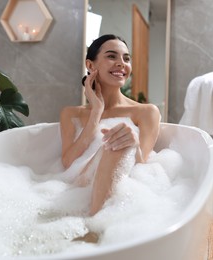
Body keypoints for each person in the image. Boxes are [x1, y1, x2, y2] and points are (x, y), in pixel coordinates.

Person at [59, 34, 161, 216]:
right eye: (112, 56)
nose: (121, 63)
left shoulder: (146, 112)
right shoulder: (71, 114)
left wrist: (134, 142)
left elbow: (140, 165)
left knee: (119, 141)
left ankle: (94, 226)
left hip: (123, 187)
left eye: (126, 58)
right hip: (77, 188)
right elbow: (68, 164)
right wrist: (96, 111)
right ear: (90, 65)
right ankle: (95, 225)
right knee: (116, 140)